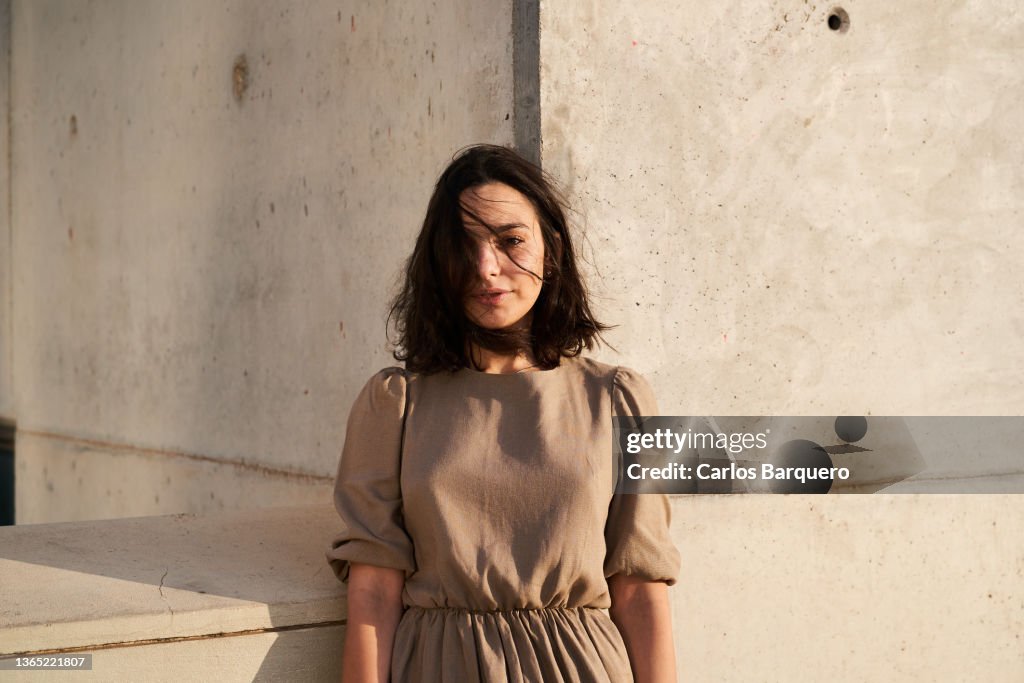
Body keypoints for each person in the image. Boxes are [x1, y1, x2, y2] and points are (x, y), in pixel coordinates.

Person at [326, 144, 680, 682]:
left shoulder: (617, 399)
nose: (486, 268)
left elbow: (639, 587)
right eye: (463, 246)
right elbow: (373, 590)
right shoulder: (396, 404)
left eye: (510, 240)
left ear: (550, 249)